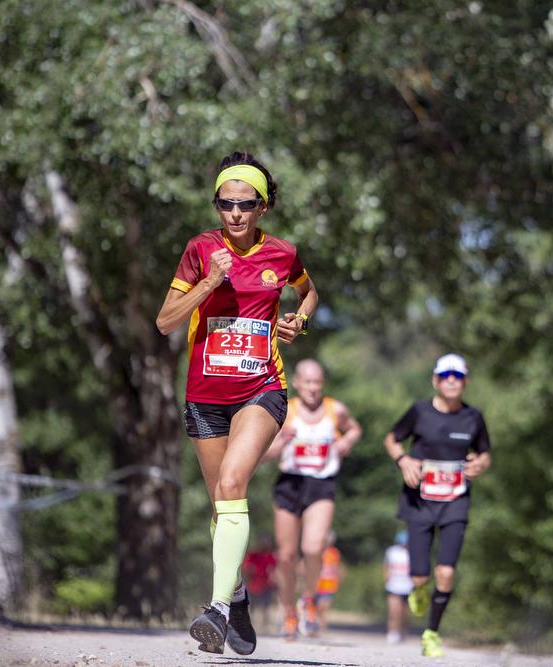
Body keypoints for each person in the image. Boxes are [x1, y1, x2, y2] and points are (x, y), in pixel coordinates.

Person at [155, 151, 317, 655]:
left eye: (246, 204)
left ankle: (218, 610)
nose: (235, 213)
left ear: (263, 207)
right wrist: (209, 283)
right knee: (222, 508)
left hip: (261, 389)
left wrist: (297, 320)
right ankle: (239, 596)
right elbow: (165, 321)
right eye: (225, 203)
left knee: (232, 483)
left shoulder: (282, 254)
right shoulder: (200, 250)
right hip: (205, 397)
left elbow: (309, 292)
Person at [383, 353, 492, 658]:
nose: (452, 381)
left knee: (446, 571)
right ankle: (418, 588)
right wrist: (403, 460)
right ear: (435, 380)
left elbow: (485, 454)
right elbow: (391, 439)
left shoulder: (473, 418)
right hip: (419, 501)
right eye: (446, 376)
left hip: (455, 501)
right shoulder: (419, 412)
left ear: (466, 381)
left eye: (458, 376)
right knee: (421, 576)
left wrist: (480, 465)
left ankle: (431, 633)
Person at [262, 359, 361, 639]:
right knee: (286, 556)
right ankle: (289, 613)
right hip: (289, 484)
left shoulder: (335, 409)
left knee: (315, 548)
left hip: (321, 485)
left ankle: (308, 600)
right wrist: (280, 441)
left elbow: (355, 429)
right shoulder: (286, 410)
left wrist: (346, 442)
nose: (313, 388)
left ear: (323, 383)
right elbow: (263, 453)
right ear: (296, 383)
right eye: (307, 382)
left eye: (317, 382)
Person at [241, 535, 278, 632]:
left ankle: (264, 625)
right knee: (251, 606)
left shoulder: (270, 556)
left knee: (265, 606)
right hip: (253, 585)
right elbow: (246, 567)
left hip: (266, 586)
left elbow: (274, 569)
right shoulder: (253, 555)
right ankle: (251, 624)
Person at [383, 529, 414, 645]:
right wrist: (386, 577)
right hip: (393, 586)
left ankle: (403, 631)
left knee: (405, 613)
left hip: (408, 587)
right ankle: (392, 632)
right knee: (394, 611)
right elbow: (385, 566)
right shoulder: (391, 551)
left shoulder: (413, 552)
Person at [315, 530, 343, 631]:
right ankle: (315, 624)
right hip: (317, 583)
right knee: (317, 607)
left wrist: (339, 577)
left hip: (329, 584)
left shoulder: (335, 553)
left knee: (324, 607)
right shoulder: (316, 551)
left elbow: (337, 567)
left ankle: (322, 627)